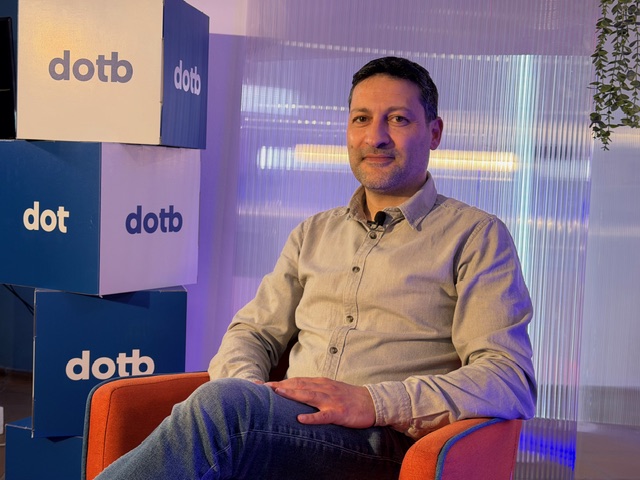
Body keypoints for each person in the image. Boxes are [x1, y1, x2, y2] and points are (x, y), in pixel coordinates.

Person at [96, 56, 536, 479]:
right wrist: (252, 396)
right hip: (289, 429)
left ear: (434, 132)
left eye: (398, 119)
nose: (376, 137)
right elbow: (253, 332)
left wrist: (372, 402)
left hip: (380, 444)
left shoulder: (476, 236)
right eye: (361, 118)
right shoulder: (313, 232)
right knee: (228, 404)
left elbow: (507, 377)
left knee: (225, 410)